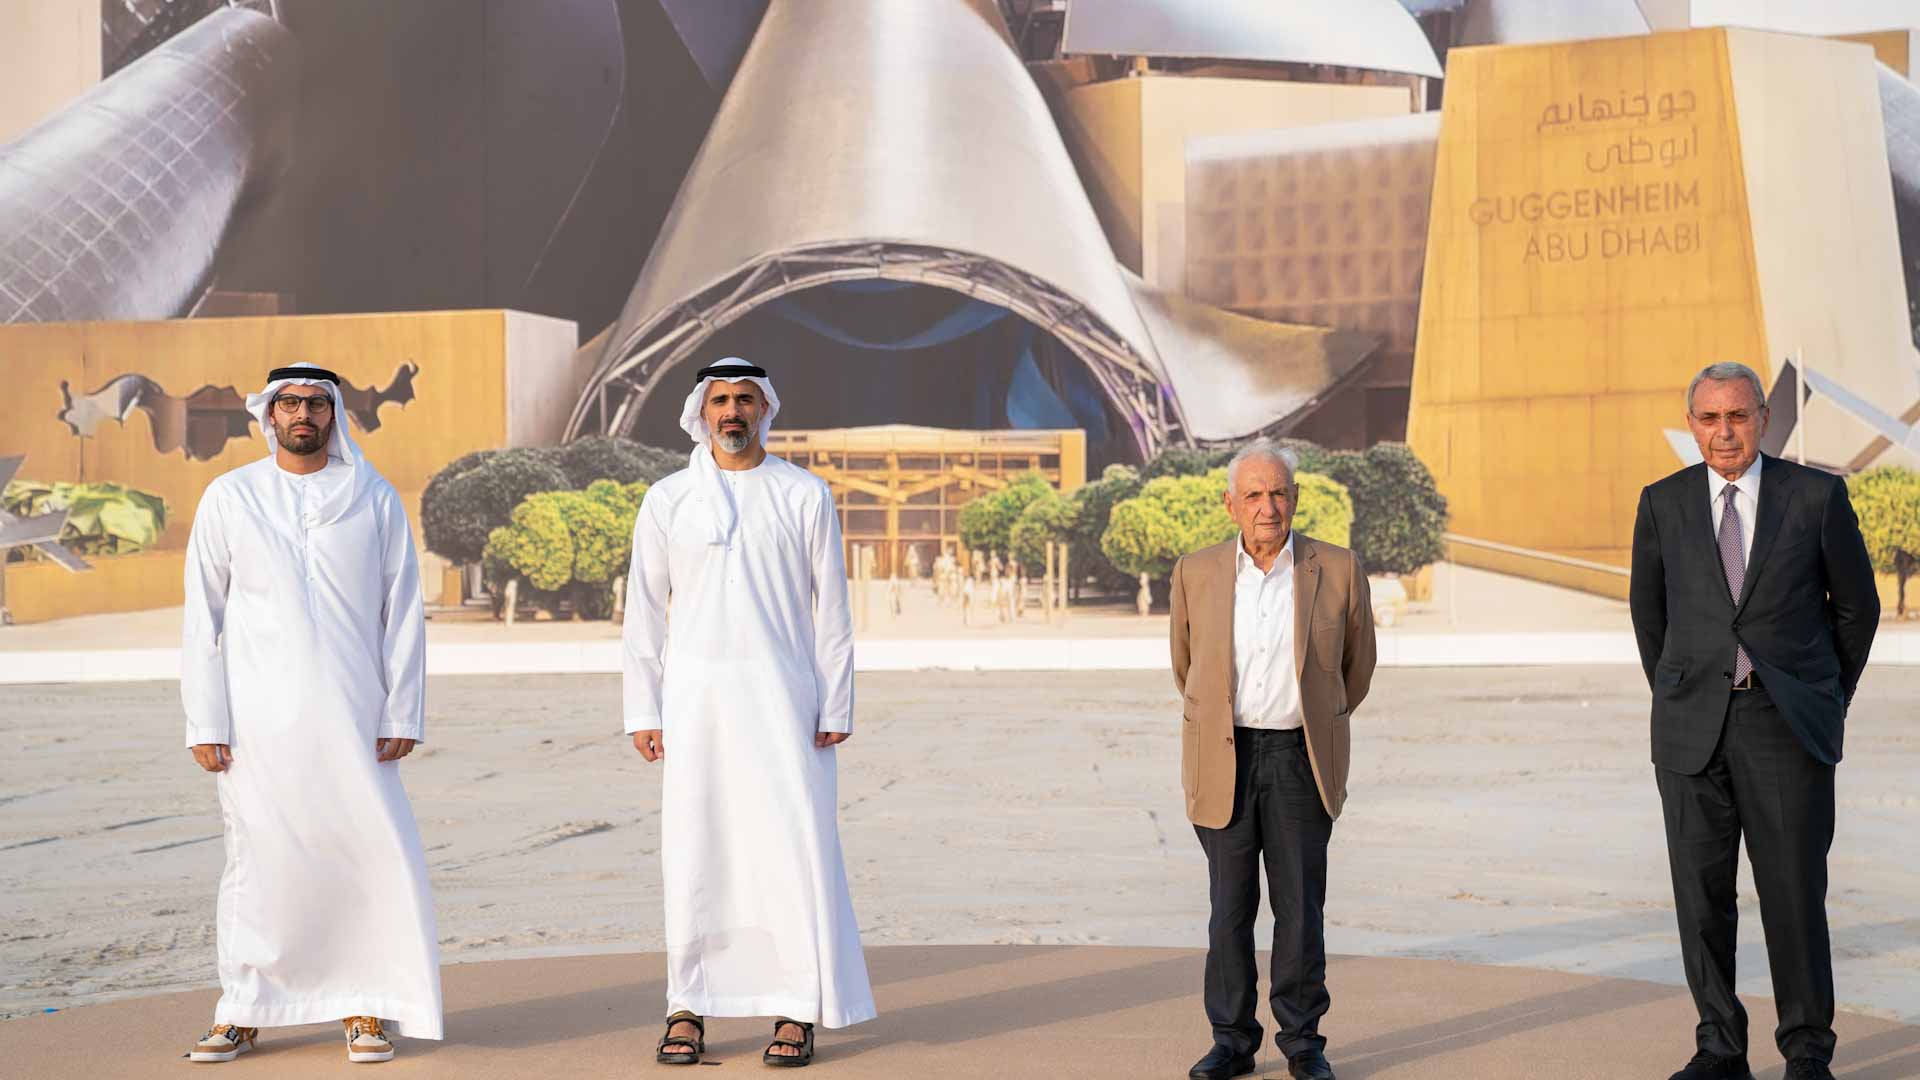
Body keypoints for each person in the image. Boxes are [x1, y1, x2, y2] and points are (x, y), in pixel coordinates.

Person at [179, 362, 441, 1064]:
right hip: (257, 723)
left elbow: (403, 611)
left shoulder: (371, 495)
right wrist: (206, 721)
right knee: (259, 863)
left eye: (315, 405)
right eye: (289, 404)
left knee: (366, 854)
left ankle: (364, 1007)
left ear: (334, 416)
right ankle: (242, 1007)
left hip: (357, 718)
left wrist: (402, 711)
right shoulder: (230, 496)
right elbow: (201, 616)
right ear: (268, 415)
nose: (302, 415)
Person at [622, 357, 875, 1068]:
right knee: (696, 853)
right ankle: (687, 1005)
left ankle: (795, 1008)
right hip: (694, 705)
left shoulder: (803, 493)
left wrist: (836, 700)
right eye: (720, 401)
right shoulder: (667, 499)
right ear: (700, 412)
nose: (732, 412)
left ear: (767, 409)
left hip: (786, 701)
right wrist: (644, 707)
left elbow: (834, 610)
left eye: (745, 401)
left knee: (790, 853)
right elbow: (643, 613)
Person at [1630, 362, 1880, 1080]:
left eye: (1738, 416)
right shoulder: (1663, 503)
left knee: (1794, 896)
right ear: (1692, 424)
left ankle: (1807, 1053)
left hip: (1783, 726)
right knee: (1700, 901)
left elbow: (1855, 611)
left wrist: (1819, 695)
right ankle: (1719, 1048)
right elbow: (1652, 617)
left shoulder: (1816, 497)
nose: (1724, 432)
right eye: (1709, 418)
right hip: (1690, 733)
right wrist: (1683, 692)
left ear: (1763, 419)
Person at [1169, 441, 1377, 1080]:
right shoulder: (1196, 572)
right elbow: (1187, 670)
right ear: (1229, 503)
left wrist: (1313, 722)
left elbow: (1356, 669)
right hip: (1226, 758)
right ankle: (1232, 1042)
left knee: (1299, 909)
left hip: (1298, 760)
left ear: (1295, 498)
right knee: (1228, 909)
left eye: (1279, 492)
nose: (1268, 506)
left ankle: (1303, 1044)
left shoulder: (1336, 568)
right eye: (1254, 494)